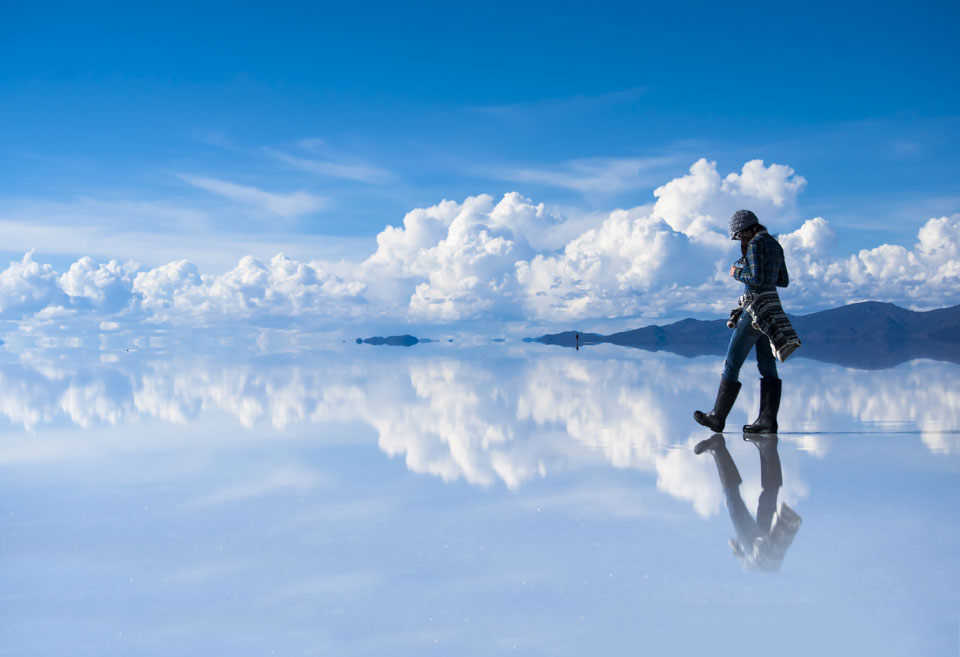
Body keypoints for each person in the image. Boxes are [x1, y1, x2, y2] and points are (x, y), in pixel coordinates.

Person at [694, 209, 795, 433]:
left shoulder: (755, 245)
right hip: (772, 309)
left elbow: (755, 278)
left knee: (732, 362)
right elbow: (783, 280)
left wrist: (736, 273)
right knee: (767, 364)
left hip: (755, 308)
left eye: (738, 235)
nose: (739, 239)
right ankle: (767, 421)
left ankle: (717, 418)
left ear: (746, 230)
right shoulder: (775, 245)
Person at [693, 433, 802, 573]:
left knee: (768, 496)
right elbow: (752, 569)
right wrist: (740, 554)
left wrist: (740, 554)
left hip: (769, 554)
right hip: (759, 556)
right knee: (735, 504)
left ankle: (767, 444)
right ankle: (718, 449)